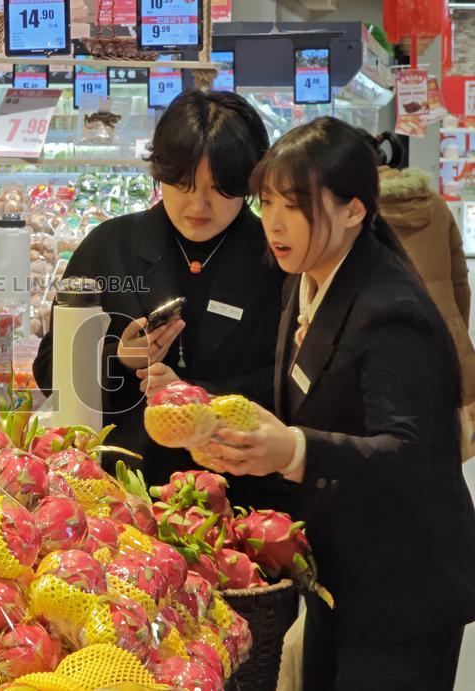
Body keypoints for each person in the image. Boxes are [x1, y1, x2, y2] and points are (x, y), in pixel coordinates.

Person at [201, 116, 475, 690]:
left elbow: (411, 454)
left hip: (401, 588)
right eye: (266, 202)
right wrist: (211, 413)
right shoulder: (305, 280)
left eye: (295, 206)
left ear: (353, 210)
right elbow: (308, 397)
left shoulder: (391, 309)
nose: (274, 223)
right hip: (338, 573)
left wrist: (294, 450)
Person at [32, 89, 296, 513]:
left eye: (219, 189)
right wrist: (119, 360)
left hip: (245, 502)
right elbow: (49, 371)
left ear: (248, 182)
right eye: (183, 184)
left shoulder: (279, 257)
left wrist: (197, 399)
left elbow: (296, 386)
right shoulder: (109, 246)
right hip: (119, 499)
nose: (198, 205)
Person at [375, 159, 475, 458]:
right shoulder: (437, 205)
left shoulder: (360, 213)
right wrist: (455, 327)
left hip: (388, 342)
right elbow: (461, 284)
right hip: (446, 339)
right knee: (449, 446)